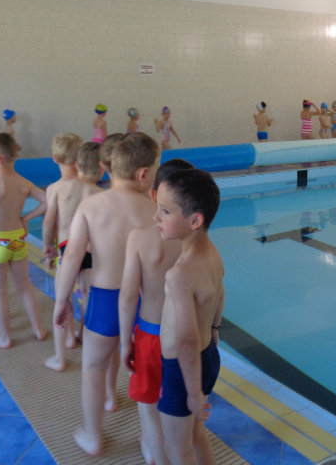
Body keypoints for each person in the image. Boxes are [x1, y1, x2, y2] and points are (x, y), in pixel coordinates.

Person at [53, 132, 160, 456]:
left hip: (105, 299)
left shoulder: (91, 206)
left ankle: (94, 435)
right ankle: (150, 440)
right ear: (144, 174)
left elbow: (72, 255)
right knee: (146, 369)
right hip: (146, 303)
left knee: (93, 367)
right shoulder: (154, 209)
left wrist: (62, 300)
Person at [119, 158, 193, 464]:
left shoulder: (139, 237)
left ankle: (155, 453)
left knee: (148, 404)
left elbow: (127, 297)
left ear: (154, 194)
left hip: (150, 335)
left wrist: (125, 342)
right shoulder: (197, 239)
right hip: (187, 335)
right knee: (179, 402)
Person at [154, 168, 224, 465]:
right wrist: (215, 328)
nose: (156, 217)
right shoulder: (213, 252)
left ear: (195, 221)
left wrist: (193, 393)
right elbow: (220, 292)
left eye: (165, 211)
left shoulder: (180, 274)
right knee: (195, 433)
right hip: (208, 357)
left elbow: (186, 340)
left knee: (178, 449)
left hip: (182, 371)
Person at [0, 132, 47, 348]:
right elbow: (47, 201)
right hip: (18, 240)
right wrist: (26, 218)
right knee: (25, 286)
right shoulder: (23, 182)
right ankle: (38, 329)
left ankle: (5, 338)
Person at [42, 134, 89, 371]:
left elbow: (49, 222)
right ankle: (84, 335)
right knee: (87, 295)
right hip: (90, 249)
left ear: (54, 158)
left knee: (63, 298)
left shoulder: (55, 189)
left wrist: (47, 246)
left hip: (66, 248)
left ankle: (61, 354)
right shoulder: (91, 188)